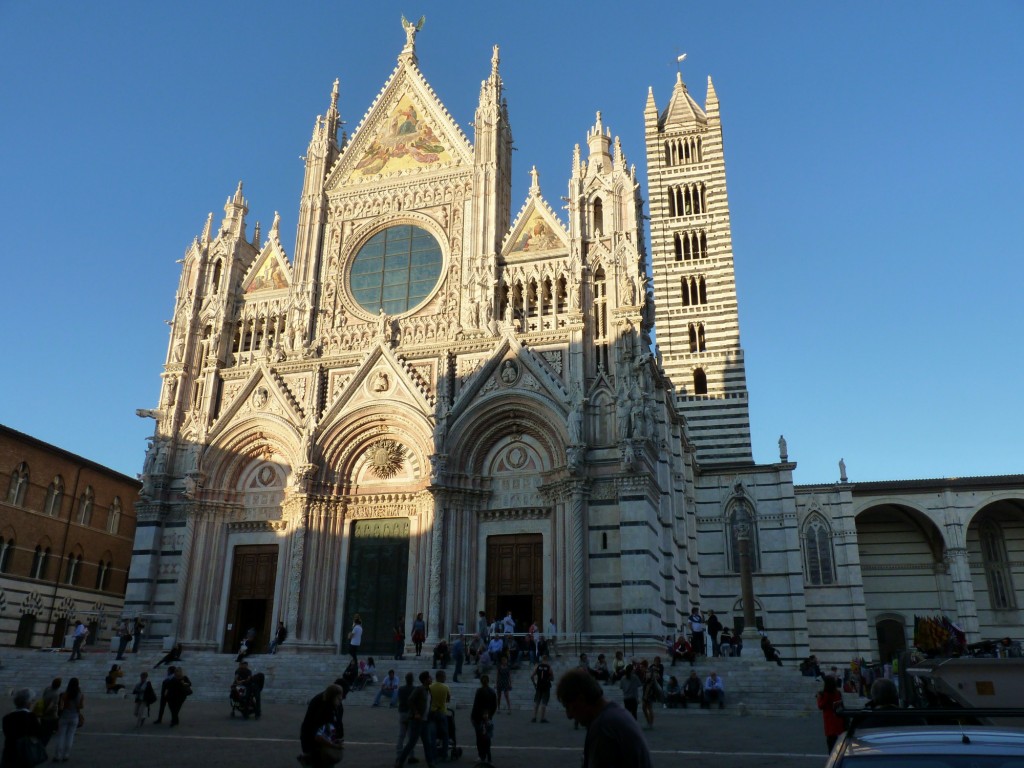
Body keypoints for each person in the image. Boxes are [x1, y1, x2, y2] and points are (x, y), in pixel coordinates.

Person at [556, 668, 653, 768]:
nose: (569, 715)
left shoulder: (603, 728)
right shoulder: (616, 714)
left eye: (568, 707)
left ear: (581, 700)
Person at [300, 684, 345, 768]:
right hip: (319, 749)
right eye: (339, 698)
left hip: (320, 749)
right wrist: (335, 745)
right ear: (333, 697)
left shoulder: (332, 709)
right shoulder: (326, 712)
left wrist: (336, 738)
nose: (341, 699)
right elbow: (319, 736)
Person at [395, 671, 434, 768]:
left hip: (425, 721)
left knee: (427, 743)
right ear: (425, 680)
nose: (431, 679)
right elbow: (410, 700)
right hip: (417, 721)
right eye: (429, 678)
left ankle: (430, 762)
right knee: (411, 743)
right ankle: (400, 761)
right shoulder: (419, 689)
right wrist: (416, 712)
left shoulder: (428, 690)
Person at [2, 688, 44, 768]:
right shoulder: (31, 717)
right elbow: (39, 734)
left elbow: (6, 733)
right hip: (25, 753)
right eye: (31, 701)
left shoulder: (7, 717)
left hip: (9, 752)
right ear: (27, 703)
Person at [53, 678, 84, 761]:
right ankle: (66, 754)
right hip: (74, 716)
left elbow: (61, 707)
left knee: (61, 736)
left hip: (64, 716)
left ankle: (58, 755)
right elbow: (81, 706)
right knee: (70, 736)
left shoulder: (64, 694)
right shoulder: (80, 695)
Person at [471, 674, 498, 766]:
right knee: (487, 737)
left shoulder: (479, 691)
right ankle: (488, 756)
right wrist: (490, 715)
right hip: (488, 717)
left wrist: (473, 717)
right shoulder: (492, 692)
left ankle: (481, 755)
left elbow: (476, 706)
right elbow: (495, 706)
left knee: (479, 737)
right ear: (488, 681)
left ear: (481, 682)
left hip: (478, 718)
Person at [393, 673, 419, 766]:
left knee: (401, 735)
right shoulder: (415, 689)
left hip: (402, 712)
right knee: (411, 736)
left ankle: (399, 755)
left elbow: (400, 700)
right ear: (412, 680)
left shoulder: (401, 689)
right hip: (411, 713)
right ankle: (411, 755)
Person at [428, 670, 451, 762]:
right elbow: (448, 699)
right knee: (445, 735)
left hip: (433, 712)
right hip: (442, 712)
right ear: (441, 677)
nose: (445, 678)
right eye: (444, 677)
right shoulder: (445, 687)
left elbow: (429, 699)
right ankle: (444, 754)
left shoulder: (430, 687)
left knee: (433, 735)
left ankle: (433, 755)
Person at [817, 675, 844, 751]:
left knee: (831, 742)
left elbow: (821, 706)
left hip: (829, 719)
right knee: (837, 741)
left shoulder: (826, 694)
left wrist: (819, 698)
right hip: (837, 718)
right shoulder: (837, 693)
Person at [530, 655, 554, 723]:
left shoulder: (538, 666)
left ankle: (534, 717)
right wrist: (549, 678)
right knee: (544, 702)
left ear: (542, 659)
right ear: (547, 659)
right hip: (546, 686)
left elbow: (532, 676)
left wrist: (534, 684)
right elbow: (552, 678)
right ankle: (542, 718)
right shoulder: (549, 667)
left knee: (537, 701)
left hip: (539, 685)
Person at [640, 661, 662, 730]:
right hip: (647, 693)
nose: (640, 668)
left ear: (645, 666)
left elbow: (648, 685)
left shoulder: (648, 672)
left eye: (641, 667)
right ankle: (649, 722)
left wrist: (645, 695)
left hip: (649, 693)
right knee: (644, 707)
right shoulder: (646, 672)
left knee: (649, 708)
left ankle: (650, 723)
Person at [39, 679, 61, 743]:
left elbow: (43, 698)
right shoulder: (56, 694)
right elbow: (51, 706)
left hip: (43, 712)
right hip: (50, 716)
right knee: (47, 734)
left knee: (43, 729)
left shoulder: (47, 689)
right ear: (59, 686)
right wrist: (45, 712)